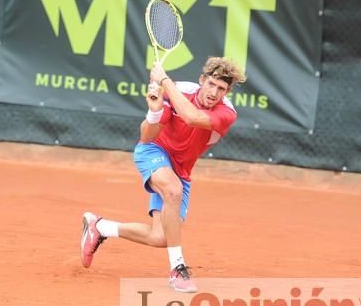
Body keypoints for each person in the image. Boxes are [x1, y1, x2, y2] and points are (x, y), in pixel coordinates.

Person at [80, 56, 246, 293]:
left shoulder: (227, 112)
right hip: (153, 151)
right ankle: (178, 269)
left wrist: (164, 80)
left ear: (226, 92)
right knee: (172, 190)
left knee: (162, 237)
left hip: (180, 170)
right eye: (211, 84)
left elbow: (192, 117)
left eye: (221, 89)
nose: (214, 92)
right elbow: (146, 137)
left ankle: (101, 227)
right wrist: (154, 113)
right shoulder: (179, 91)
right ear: (202, 80)